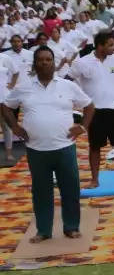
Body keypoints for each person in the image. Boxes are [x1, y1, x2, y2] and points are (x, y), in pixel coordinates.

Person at [2, 46, 95, 243]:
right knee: (41, 191)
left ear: (54, 63)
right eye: (41, 60)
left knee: (70, 189)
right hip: (37, 149)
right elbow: (6, 106)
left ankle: (71, 227)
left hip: (64, 147)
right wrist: (15, 127)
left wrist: (83, 127)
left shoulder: (66, 85)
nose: (45, 63)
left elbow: (89, 105)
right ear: (35, 64)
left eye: (48, 59)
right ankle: (43, 230)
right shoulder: (24, 87)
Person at [71, 30, 114, 190]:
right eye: (110, 45)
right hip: (94, 111)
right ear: (99, 46)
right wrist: (78, 100)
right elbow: (69, 80)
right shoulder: (82, 62)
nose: (113, 48)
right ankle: (95, 179)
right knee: (95, 146)